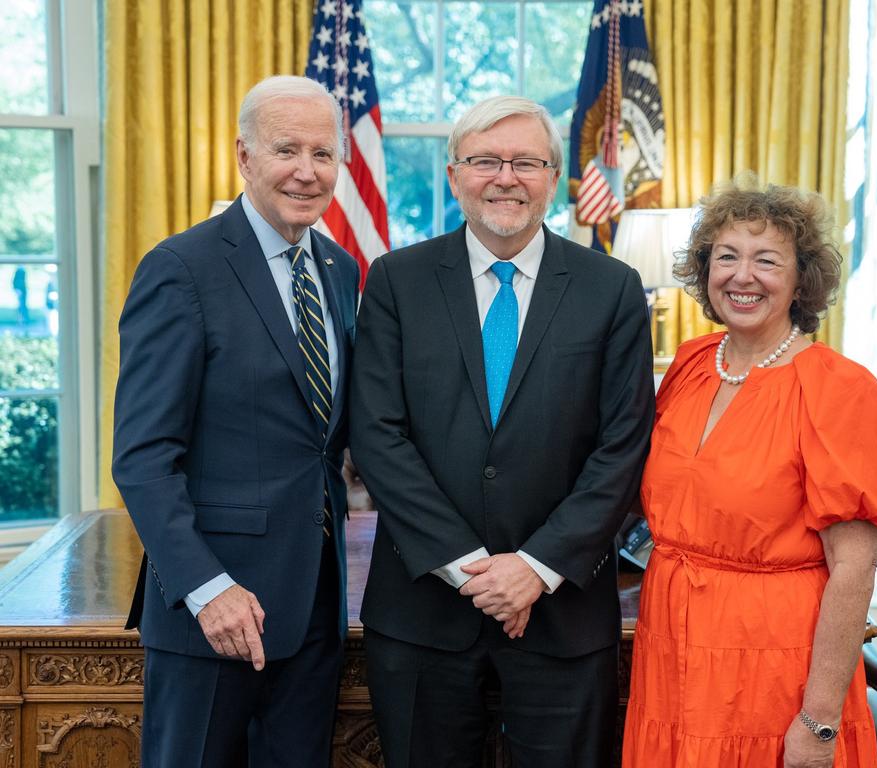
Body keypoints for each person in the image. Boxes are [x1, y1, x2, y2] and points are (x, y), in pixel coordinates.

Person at [349, 95, 655, 768]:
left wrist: (536, 570)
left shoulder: (613, 289)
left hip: (564, 615)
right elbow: (376, 435)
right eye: (486, 160)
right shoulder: (396, 282)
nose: (505, 177)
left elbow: (623, 446)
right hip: (423, 611)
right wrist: (473, 572)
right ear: (454, 174)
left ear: (553, 179)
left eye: (526, 162)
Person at [622, 175, 877, 768]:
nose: (742, 276)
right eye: (725, 256)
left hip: (771, 665)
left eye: (767, 260)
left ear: (801, 278)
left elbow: (854, 569)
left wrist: (820, 720)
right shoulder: (693, 362)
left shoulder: (839, 390)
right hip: (670, 649)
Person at [112, 74, 359, 767]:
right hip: (212, 613)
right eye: (287, 150)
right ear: (244, 157)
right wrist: (207, 587)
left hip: (313, 606)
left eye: (322, 154)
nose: (306, 173)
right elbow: (142, 455)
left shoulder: (338, 270)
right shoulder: (181, 269)